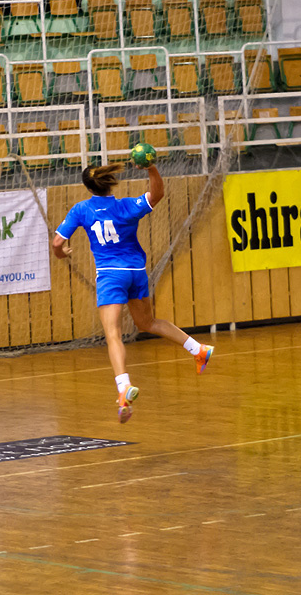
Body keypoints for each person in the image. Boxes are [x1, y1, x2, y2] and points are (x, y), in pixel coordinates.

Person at [52, 163, 213, 423]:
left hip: (110, 275)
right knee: (147, 322)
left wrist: (62, 253)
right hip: (136, 272)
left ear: (88, 187)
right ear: (109, 183)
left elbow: (57, 242)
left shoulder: (81, 209)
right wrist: (151, 167)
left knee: (113, 334)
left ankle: (123, 387)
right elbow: (157, 194)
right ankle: (198, 349)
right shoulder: (126, 205)